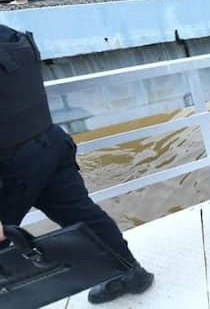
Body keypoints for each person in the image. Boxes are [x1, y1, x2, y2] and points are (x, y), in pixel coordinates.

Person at [0, 24, 154, 304]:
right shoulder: (10, 35)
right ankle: (132, 273)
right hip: (49, 145)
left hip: (10, 165)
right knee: (84, 216)